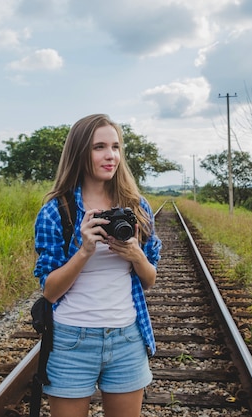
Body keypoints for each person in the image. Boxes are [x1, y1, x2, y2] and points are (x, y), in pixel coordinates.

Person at [33, 114, 162, 417]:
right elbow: (49, 292)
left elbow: (149, 279)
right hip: (71, 342)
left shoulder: (136, 207)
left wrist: (135, 255)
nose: (110, 155)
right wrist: (84, 251)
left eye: (116, 147)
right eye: (99, 147)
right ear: (80, 153)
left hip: (127, 338)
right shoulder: (56, 211)